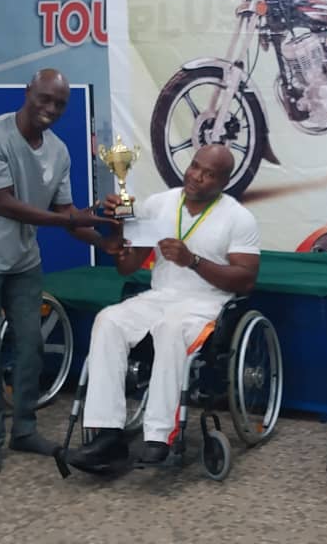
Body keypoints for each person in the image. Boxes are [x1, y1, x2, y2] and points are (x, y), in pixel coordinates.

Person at [0, 69, 118, 475]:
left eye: (60, 103)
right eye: (44, 98)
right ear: (28, 91)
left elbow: (67, 213)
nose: (51, 108)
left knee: (31, 344)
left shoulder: (59, 151)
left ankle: (24, 430)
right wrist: (70, 220)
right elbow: (4, 204)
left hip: (23, 260)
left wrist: (103, 240)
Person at [68, 143, 260, 473]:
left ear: (224, 182)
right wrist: (118, 234)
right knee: (108, 319)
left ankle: (159, 435)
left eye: (208, 174)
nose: (196, 176)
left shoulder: (238, 218)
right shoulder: (158, 204)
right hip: (159, 296)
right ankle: (107, 434)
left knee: (171, 328)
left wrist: (193, 261)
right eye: (195, 166)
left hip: (207, 303)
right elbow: (127, 267)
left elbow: (245, 280)